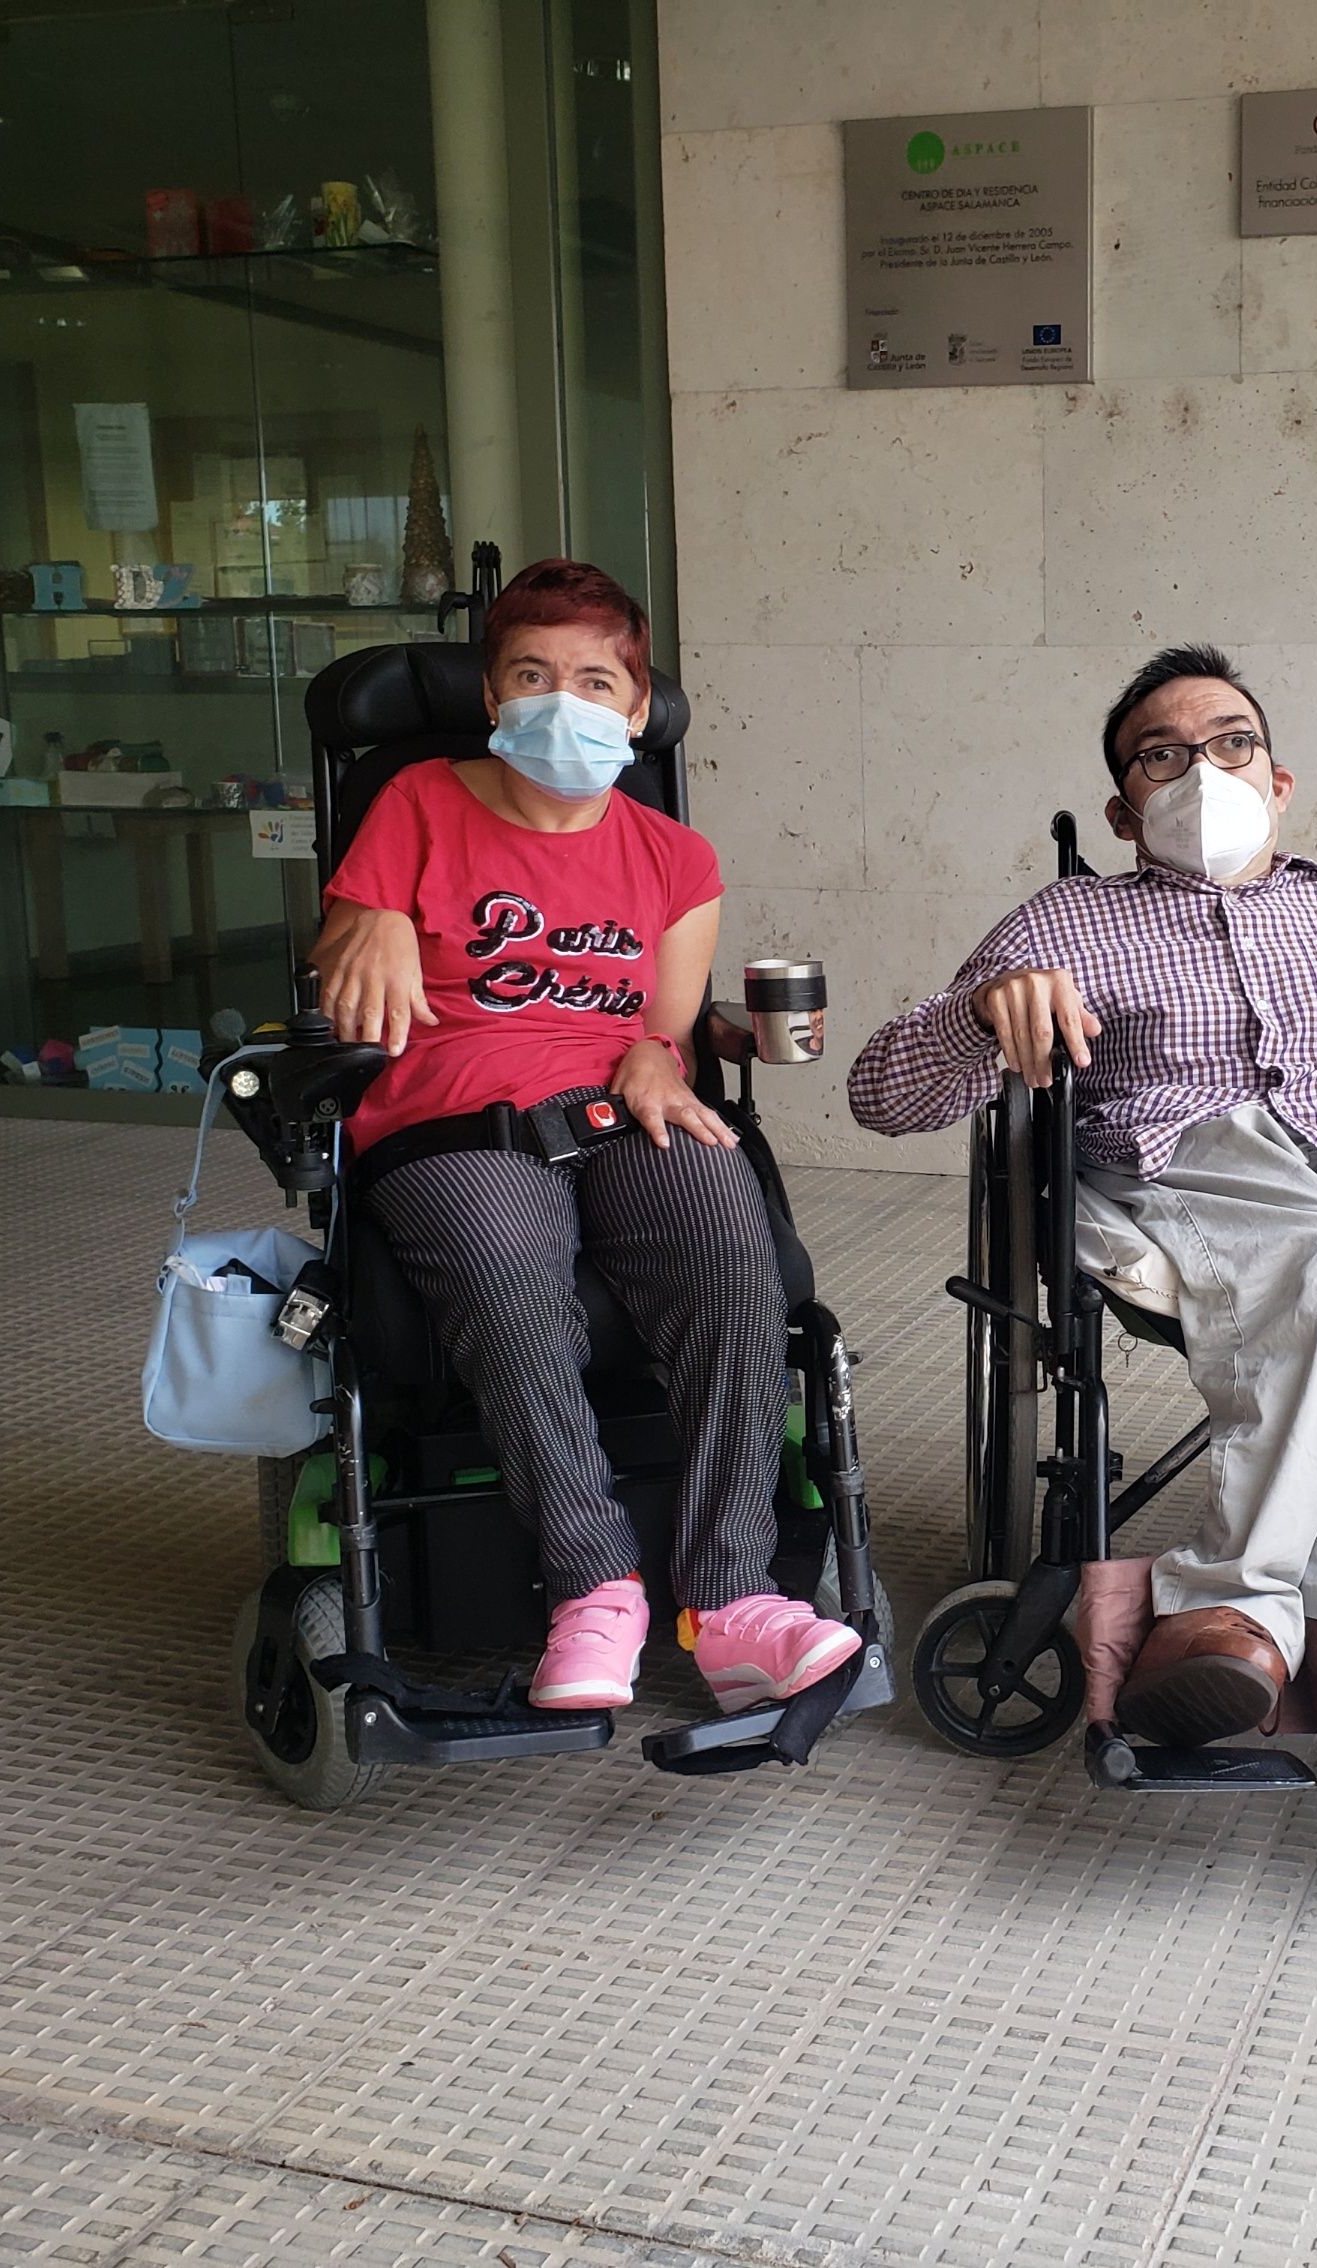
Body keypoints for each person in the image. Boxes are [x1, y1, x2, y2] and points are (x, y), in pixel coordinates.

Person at [849, 644, 1317, 1752]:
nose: (1203, 772)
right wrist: (986, 1010)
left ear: (1279, 783)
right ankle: (1228, 1603)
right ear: (1124, 810)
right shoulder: (1067, 923)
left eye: (1232, 744)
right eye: (1161, 757)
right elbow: (882, 1095)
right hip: (1181, 1171)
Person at [309, 559, 858, 1714]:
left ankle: (733, 1599)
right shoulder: (413, 806)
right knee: (512, 1272)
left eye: (596, 680)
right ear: (492, 695)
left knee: (728, 1246)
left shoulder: (675, 858)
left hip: (621, 1102)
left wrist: (660, 1050)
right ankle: (594, 1585)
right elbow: (349, 958)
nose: (565, 701)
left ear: (638, 709)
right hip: (450, 1120)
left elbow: (663, 1031)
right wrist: (371, 926)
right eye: (531, 673)